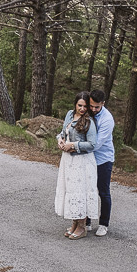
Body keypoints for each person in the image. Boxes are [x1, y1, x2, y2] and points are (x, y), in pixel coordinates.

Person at [54, 91, 99, 240]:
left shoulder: (89, 121)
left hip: (82, 162)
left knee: (81, 191)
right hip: (68, 160)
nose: (82, 109)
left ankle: (82, 226)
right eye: (80, 105)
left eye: (85, 106)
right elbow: (62, 132)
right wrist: (60, 140)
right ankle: (74, 222)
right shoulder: (69, 115)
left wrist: (73, 145)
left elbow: (92, 144)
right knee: (71, 190)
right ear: (75, 104)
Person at [85, 89, 115, 237]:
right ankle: (87, 221)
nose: (94, 109)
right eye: (92, 106)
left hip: (103, 159)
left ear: (103, 103)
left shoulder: (107, 120)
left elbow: (96, 144)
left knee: (103, 192)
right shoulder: (88, 112)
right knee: (87, 190)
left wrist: (77, 147)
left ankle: (104, 224)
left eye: (97, 107)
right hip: (88, 158)